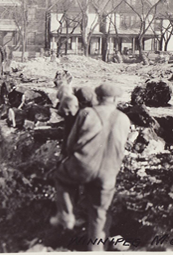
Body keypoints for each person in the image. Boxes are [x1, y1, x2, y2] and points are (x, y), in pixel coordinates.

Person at [51, 83, 131, 251]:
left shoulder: (87, 113)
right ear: (115, 99)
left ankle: (66, 216)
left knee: (61, 178)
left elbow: (71, 142)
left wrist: (66, 157)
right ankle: (96, 249)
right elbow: (121, 146)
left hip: (82, 165)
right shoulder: (123, 118)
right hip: (108, 172)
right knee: (100, 213)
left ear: (98, 98)